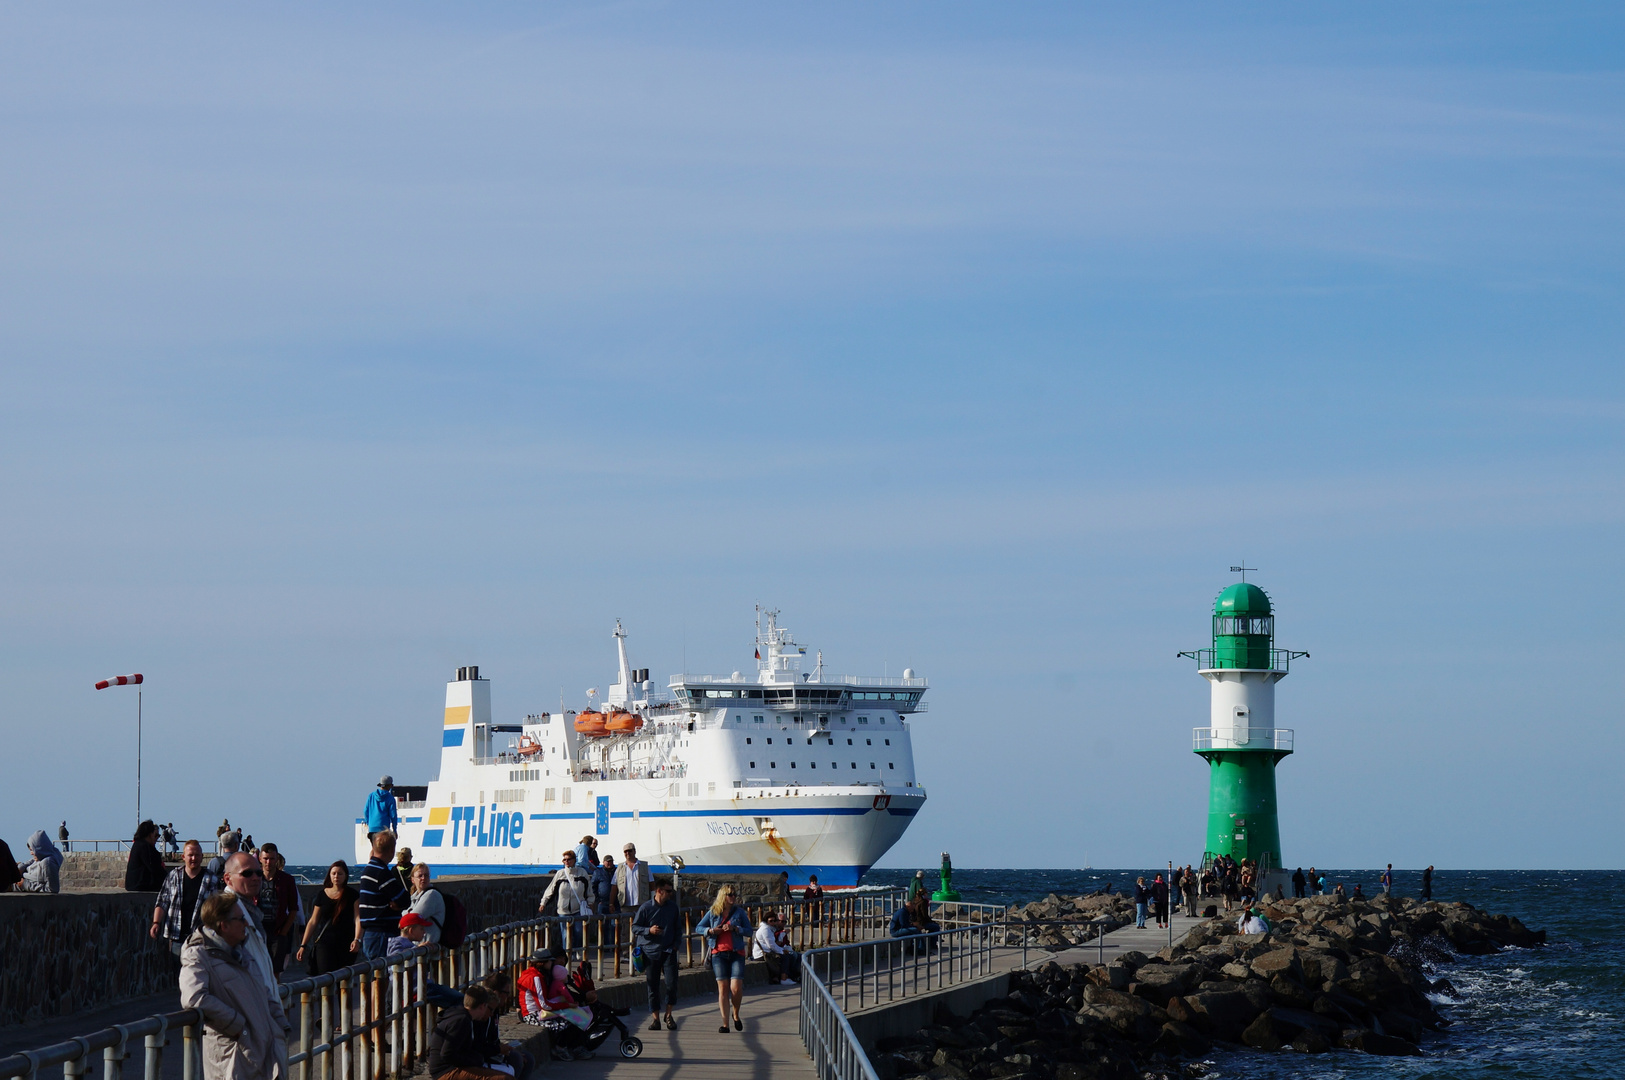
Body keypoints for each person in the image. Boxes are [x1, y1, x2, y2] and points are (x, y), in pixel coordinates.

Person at [181, 892, 291, 1080]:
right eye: (241, 919)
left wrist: (280, 1025)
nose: (247, 923)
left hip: (267, 1053)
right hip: (236, 1058)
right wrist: (238, 1026)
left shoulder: (242, 950)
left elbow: (263, 991)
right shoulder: (198, 955)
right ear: (224, 925)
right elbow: (194, 998)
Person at [153, 840, 223, 971]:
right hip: (177, 936)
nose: (194, 858)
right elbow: (162, 901)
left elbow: (218, 908)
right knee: (180, 976)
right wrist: (156, 922)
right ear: (183, 857)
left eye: (197, 855)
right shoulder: (174, 876)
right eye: (190, 855)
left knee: (198, 975)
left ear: (202, 857)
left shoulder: (211, 879)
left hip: (202, 937)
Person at [694, 885, 753, 1033]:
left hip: (736, 952)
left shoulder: (739, 913)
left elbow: (749, 931)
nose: (733, 897)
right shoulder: (714, 912)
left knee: (736, 988)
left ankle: (736, 1014)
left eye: (734, 894)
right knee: (723, 989)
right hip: (718, 954)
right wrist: (711, 930)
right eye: (729, 895)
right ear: (723, 896)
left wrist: (735, 929)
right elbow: (699, 928)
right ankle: (725, 1024)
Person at [221, 853, 280, 999]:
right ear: (228, 878)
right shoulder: (225, 912)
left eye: (259, 873)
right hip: (243, 1008)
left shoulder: (250, 910)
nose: (256, 878)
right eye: (247, 873)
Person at [428, 984, 509, 1080]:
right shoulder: (461, 1020)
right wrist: (476, 1061)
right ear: (483, 1006)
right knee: (505, 1078)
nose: (491, 1014)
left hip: (447, 1069)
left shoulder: (461, 1016)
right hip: (445, 1071)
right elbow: (447, 1054)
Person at [632, 879, 680, 1032]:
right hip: (650, 951)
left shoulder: (673, 908)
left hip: (668, 951)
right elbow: (635, 927)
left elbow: (678, 928)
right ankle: (655, 1019)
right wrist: (649, 930)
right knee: (653, 986)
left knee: (672, 984)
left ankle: (668, 1015)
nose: (671, 894)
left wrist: (675, 946)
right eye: (668, 891)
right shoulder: (646, 908)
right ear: (659, 891)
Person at [297, 861, 360, 976]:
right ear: (329, 875)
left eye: (340, 874)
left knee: (343, 981)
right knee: (325, 978)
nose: (336, 876)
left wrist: (357, 939)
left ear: (345, 875)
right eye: (334, 873)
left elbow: (357, 919)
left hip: (345, 943)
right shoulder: (322, 894)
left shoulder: (352, 895)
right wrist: (303, 945)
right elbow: (313, 921)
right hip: (325, 943)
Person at [357, 831, 409, 960]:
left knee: (375, 973)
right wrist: (396, 905)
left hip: (370, 933)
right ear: (392, 850)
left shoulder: (368, 870)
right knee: (381, 974)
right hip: (381, 933)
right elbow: (405, 900)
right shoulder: (381, 873)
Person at [257, 845, 300, 976]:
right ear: (260, 859)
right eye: (265, 859)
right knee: (258, 970)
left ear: (277, 859)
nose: (268, 862)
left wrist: (284, 932)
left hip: (277, 930)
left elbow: (293, 908)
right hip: (259, 929)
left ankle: (276, 996)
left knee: (275, 971)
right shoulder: (254, 878)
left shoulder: (286, 879)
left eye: (271, 859)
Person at [538, 849, 592, 949]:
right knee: (566, 935)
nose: (566, 862)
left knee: (579, 931)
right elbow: (550, 889)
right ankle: (567, 955)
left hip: (578, 909)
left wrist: (590, 902)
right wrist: (543, 903)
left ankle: (578, 950)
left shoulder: (582, 873)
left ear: (574, 860)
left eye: (568, 859)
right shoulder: (560, 874)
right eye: (564, 860)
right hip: (563, 910)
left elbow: (589, 890)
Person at [752, 911, 799, 984]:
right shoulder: (765, 929)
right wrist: (782, 951)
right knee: (785, 957)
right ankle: (784, 979)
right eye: (771, 921)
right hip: (762, 954)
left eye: (774, 921)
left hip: (766, 952)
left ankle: (787, 976)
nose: (773, 923)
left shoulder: (769, 929)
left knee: (790, 956)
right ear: (766, 920)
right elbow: (771, 945)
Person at [407, 863, 446, 945]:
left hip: (429, 946)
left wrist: (406, 912)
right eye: (420, 876)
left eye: (426, 875)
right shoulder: (415, 897)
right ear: (413, 880)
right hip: (419, 946)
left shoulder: (431, 895)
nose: (423, 878)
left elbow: (412, 918)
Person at [125, 820, 168, 891]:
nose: (157, 838)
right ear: (149, 834)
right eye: (156, 835)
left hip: (134, 885)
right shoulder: (144, 847)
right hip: (140, 885)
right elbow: (155, 869)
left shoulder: (138, 845)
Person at [615, 843, 652, 913]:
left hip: (641, 905)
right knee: (626, 923)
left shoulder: (644, 866)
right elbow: (614, 886)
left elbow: (652, 884)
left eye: (630, 851)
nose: (627, 853)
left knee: (642, 923)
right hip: (625, 905)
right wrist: (611, 903)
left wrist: (653, 901)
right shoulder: (620, 868)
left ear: (634, 851)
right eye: (625, 851)